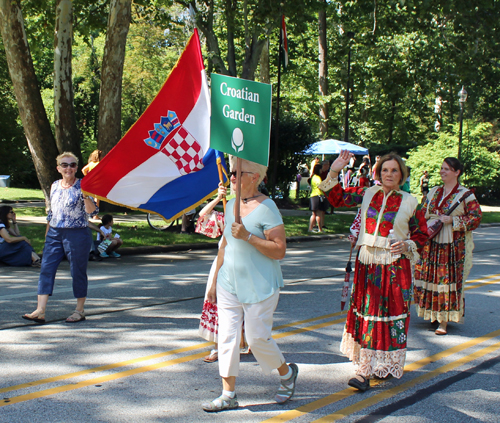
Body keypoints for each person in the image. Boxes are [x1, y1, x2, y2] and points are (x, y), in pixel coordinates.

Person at [201, 158, 298, 412]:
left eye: (236, 174)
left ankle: (286, 374)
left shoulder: (268, 208)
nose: (231, 177)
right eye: (231, 173)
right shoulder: (231, 203)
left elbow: (279, 251)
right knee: (227, 337)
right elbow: (224, 245)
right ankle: (228, 393)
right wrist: (213, 283)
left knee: (257, 339)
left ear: (254, 177)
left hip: (261, 285)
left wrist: (248, 236)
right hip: (228, 284)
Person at [327, 150, 428, 392]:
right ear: (378, 173)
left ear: (402, 174)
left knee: (388, 316)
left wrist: (407, 244)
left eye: (394, 170)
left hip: (394, 266)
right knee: (368, 314)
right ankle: (364, 370)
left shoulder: (411, 201)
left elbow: (422, 234)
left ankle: (380, 365)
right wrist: (335, 169)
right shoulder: (367, 193)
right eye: (385, 170)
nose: (389, 174)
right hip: (367, 263)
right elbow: (336, 198)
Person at [22, 152, 98, 324]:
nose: (69, 168)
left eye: (72, 165)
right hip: (55, 233)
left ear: (77, 168)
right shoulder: (55, 185)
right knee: (46, 269)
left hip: (77, 234)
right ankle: (40, 310)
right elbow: (52, 213)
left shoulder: (83, 185)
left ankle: (79, 310)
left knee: (77, 271)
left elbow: (92, 212)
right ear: (58, 168)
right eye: (65, 165)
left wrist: (85, 195)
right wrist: (48, 234)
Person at [413, 158, 482, 335]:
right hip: (431, 242)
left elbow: (476, 218)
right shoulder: (434, 192)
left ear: (457, 172)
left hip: (451, 247)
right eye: (442, 168)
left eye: (447, 169)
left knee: (445, 280)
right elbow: (420, 212)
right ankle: (433, 314)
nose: (442, 171)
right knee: (431, 278)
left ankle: (443, 321)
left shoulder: (466, 194)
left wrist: (454, 220)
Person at [308, 164, 328, 233]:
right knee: (319, 214)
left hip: (313, 195)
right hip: (318, 196)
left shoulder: (313, 177)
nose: (322, 170)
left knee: (313, 214)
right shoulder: (318, 178)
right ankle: (320, 229)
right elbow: (321, 186)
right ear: (319, 169)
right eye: (321, 169)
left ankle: (310, 228)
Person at [82, 149, 102, 214]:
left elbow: (83, 170)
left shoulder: (91, 164)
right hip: (97, 182)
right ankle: (95, 214)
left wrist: (87, 176)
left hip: (91, 182)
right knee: (97, 198)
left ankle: (91, 212)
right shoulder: (99, 164)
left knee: (92, 197)